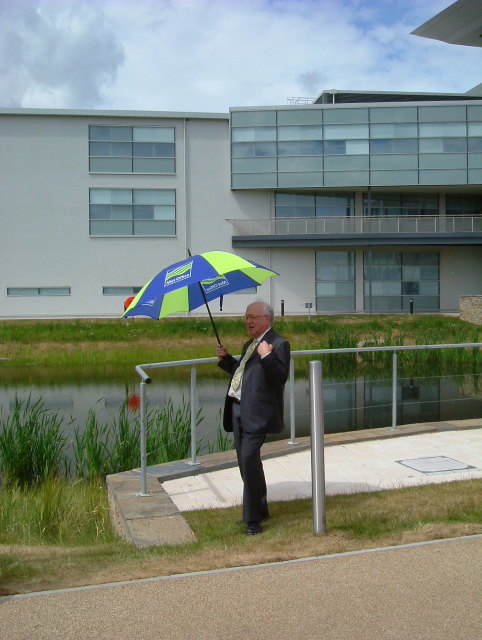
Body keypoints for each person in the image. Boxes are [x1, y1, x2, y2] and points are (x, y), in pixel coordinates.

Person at [216, 300, 290, 535]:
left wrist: (267, 356)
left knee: (248, 459)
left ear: (266, 319)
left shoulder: (278, 344)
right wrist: (227, 360)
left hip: (258, 413)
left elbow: (279, 378)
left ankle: (253, 520)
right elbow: (245, 374)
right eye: (246, 317)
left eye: (253, 317)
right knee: (246, 462)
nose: (248, 321)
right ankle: (261, 509)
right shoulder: (250, 344)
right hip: (238, 409)